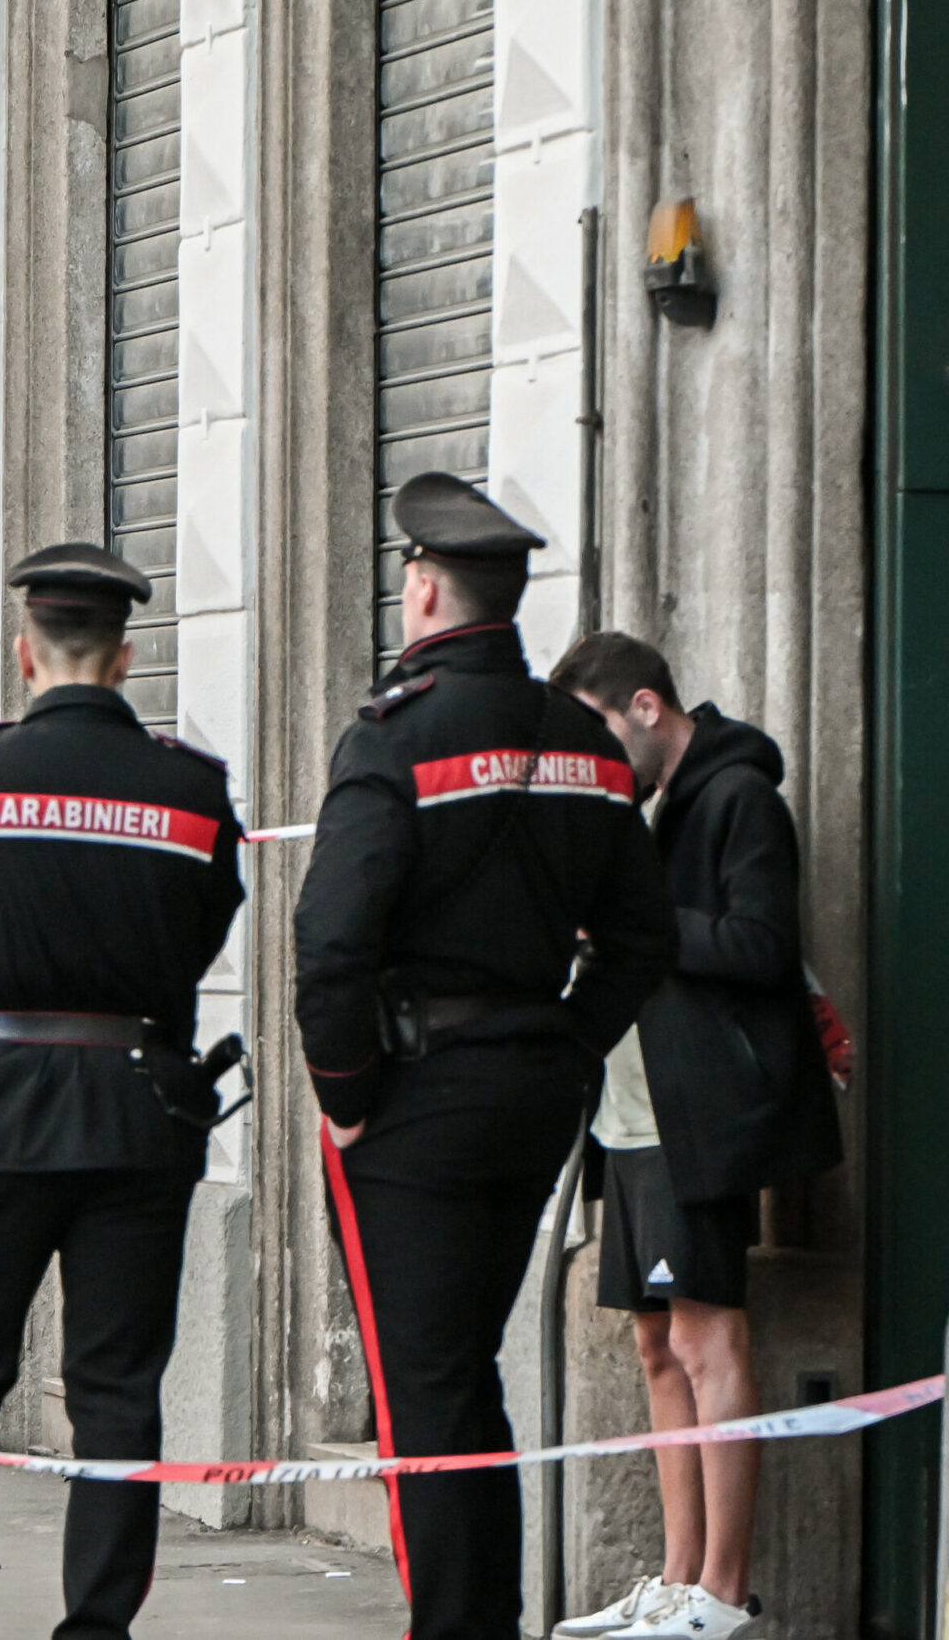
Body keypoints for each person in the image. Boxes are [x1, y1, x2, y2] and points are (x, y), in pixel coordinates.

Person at [292, 473, 675, 1640]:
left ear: (420, 589)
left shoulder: (393, 739)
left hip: (411, 1102)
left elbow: (330, 940)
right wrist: (566, 1044)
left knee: (429, 1393)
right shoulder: (584, 740)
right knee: (465, 1377)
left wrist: (348, 1093)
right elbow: (642, 937)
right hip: (531, 1093)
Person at [0, 544, 246, 1640]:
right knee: (117, 1392)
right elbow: (201, 932)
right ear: (122, 657)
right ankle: (94, 1631)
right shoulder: (190, 790)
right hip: (136, 1110)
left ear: (26, 653)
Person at [546, 634, 842, 1640]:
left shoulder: (737, 796)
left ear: (642, 706)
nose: (591, 762)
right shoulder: (639, 815)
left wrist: (634, 926)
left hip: (696, 1117)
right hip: (629, 1113)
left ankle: (721, 1593)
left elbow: (761, 944)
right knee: (652, 1342)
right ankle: (675, 1581)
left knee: (706, 1336)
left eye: (595, 734)